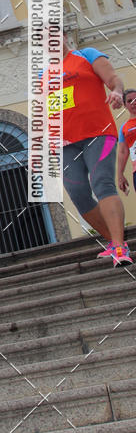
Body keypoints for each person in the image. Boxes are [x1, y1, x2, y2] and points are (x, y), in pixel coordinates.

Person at [52, 35, 132, 266]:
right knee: (77, 193)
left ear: (64, 37)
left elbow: (114, 79)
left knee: (102, 183)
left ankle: (119, 246)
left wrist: (117, 92)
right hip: (65, 142)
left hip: (98, 133)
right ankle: (114, 242)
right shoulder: (44, 73)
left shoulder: (86, 55)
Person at [118, 88, 136, 197]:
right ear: (124, 105)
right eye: (129, 101)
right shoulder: (124, 128)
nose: (134, 103)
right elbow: (123, 152)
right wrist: (120, 175)